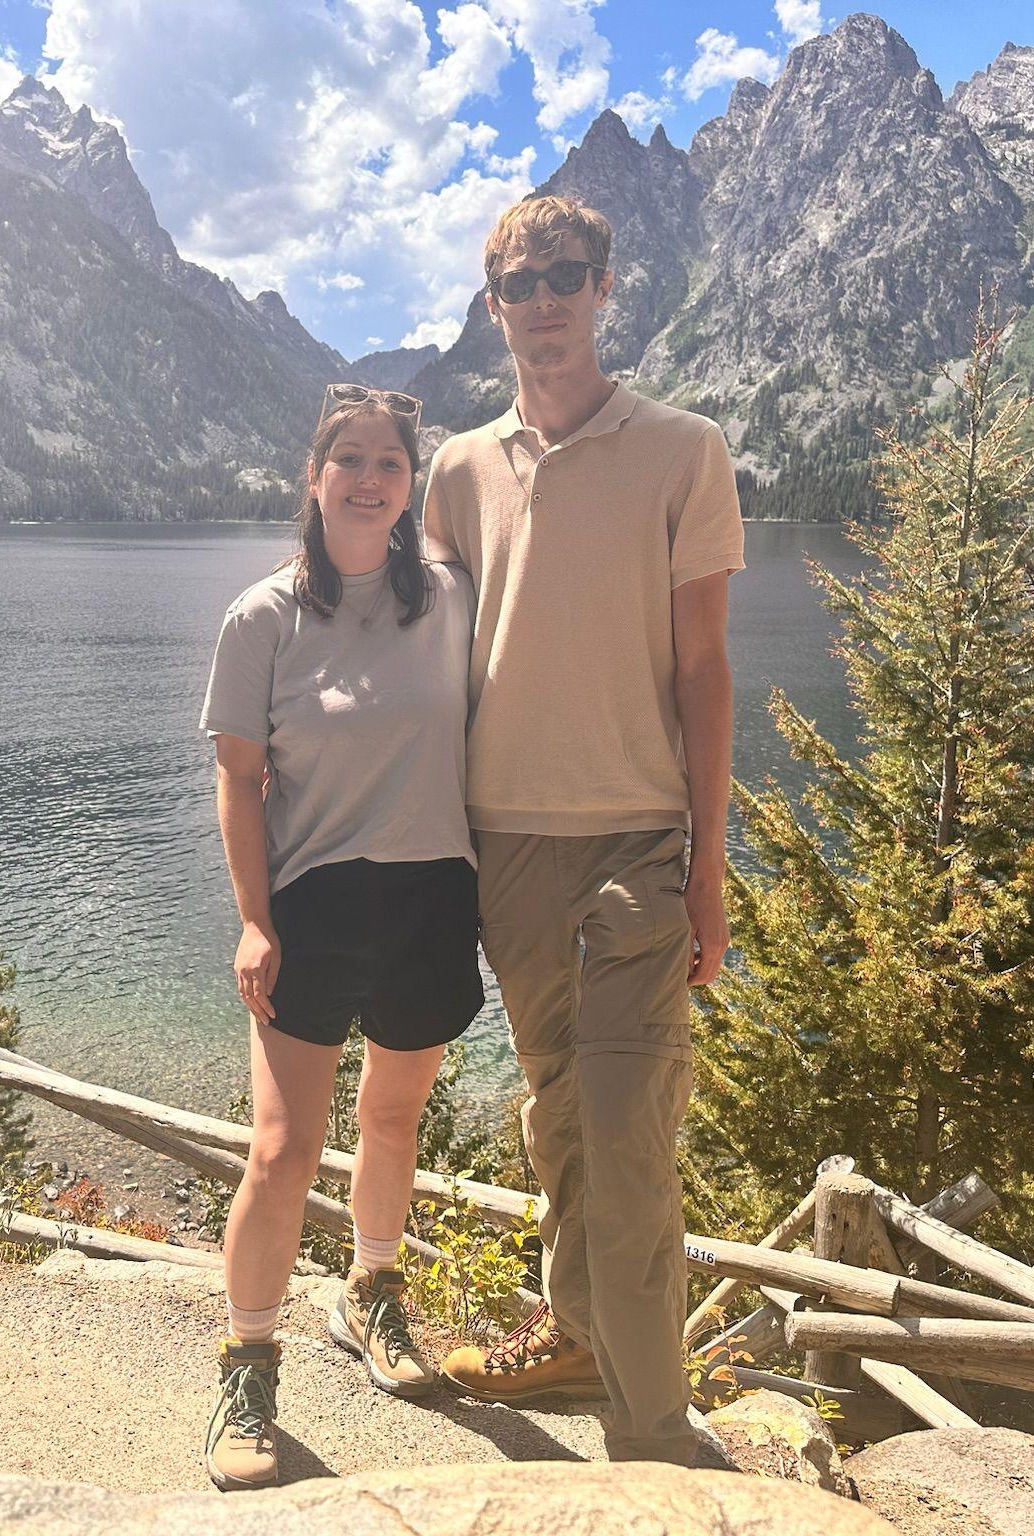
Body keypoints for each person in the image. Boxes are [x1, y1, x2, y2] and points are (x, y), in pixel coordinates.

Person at [425, 194, 744, 1467]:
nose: (544, 298)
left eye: (568, 274)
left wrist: (707, 867)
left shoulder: (683, 450)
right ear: (491, 301)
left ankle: (658, 1435)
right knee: (559, 1109)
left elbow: (706, 672)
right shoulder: (455, 470)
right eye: (519, 280)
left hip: (633, 848)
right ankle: (573, 1337)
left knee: (626, 1131)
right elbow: (425, 664)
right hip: (503, 847)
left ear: (608, 288)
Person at [198, 385, 484, 1491]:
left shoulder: (452, 597)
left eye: (391, 465)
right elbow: (236, 784)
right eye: (349, 460)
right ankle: (248, 1365)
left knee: (395, 1120)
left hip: (431, 898)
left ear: (412, 487)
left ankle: (369, 1296)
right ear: (313, 478)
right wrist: (254, 921)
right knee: (280, 1153)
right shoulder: (262, 616)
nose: (370, 480)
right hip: (311, 904)